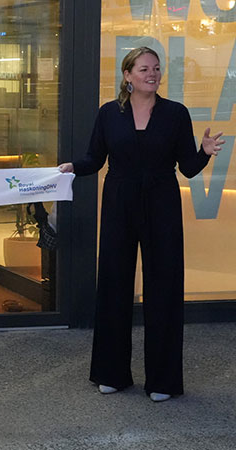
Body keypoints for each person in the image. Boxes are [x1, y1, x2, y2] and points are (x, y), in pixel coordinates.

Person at [58, 47, 225, 402]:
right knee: (114, 285)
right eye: (145, 68)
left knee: (163, 286)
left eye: (157, 68)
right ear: (128, 75)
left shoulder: (176, 114)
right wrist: (73, 168)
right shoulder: (109, 114)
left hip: (162, 201)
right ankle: (111, 373)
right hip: (119, 200)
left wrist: (204, 152)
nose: (153, 73)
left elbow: (188, 168)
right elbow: (94, 158)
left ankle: (163, 381)